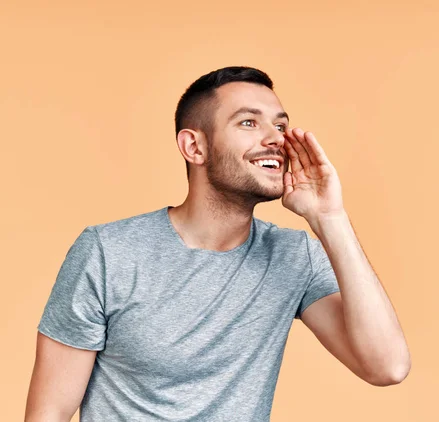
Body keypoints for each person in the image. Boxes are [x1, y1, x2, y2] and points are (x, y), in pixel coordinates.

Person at [25, 66, 411, 421]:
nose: (276, 138)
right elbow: (50, 411)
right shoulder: (108, 252)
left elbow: (386, 367)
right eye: (248, 122)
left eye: (280, 125)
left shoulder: (294, 257)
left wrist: (330, 218)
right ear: (194, 147)